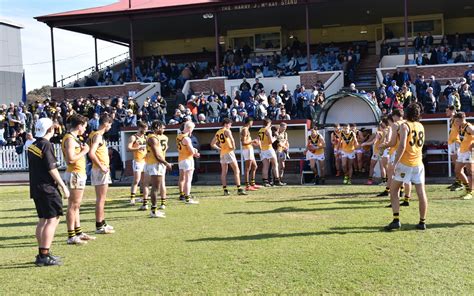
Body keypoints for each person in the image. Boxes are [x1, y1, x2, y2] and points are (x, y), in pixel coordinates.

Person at [28, 118, 70, 266]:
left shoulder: (33, 145)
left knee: (42, 220)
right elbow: (52, 168)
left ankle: (42, 254)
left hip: (36, 187)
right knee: (52, 219)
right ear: (50, 129)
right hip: (47, 188)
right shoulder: (46, 145)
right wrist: (63, 186)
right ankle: (44, 254)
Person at [385, 103, 428, 231]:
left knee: (393, 190)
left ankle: (396, 220)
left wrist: (394, 163)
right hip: (418, 163)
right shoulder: (420, 126)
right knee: (421, 193)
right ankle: (422, 222)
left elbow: (402, 146)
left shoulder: (405, 126)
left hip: (405, 163)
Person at [61, 114, 95, 245]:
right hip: (74, 173)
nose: (85, 129)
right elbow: (70, 159)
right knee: (73, 205)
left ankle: (78, 232)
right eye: (84, 127)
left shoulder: (74, 138)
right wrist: (84, 151)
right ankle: (71, 235)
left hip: (78, 173)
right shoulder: (69, 139)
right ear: (79, 126)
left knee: (76, 205)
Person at [88, 114, 115, 234]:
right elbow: (91, 153)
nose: (110, 127)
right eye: (110, 124)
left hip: (99, 169)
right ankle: (99, 225)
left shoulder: (94, 135)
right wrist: (101, 166)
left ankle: (102, 222)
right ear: (106, 124)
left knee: (102, 198)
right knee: (101, 199)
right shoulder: (98, 136)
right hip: (99, 169)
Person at [211, 118, 247, 196]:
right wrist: (233, 147)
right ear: (226, 124)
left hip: (222, 153)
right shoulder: (227, 130)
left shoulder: (218, 132)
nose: (230, 126)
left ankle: (225, 190)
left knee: (224, 172)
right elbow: (232, 139)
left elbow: (212, 144)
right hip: (228, 152)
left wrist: (220, 149)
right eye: (230, 124)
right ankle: (239, 188)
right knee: (236, 170)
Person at [383, 111, 412, 207]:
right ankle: (407, 198)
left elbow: (392, 142)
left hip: (397, 151)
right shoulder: (408, 123)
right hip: (409, 152)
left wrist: (383, 146)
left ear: (395, 116)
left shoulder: (396, 125)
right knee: (407, 178)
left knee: (396, 176)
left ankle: (395, 201)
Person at [145, 120, 172, 218]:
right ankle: (154, 210)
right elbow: (157, 156)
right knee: (155, 188)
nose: (163, 129)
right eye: (162, 127)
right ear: (157, 127)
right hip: (155, 164)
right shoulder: (153, 138)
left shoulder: (155, 137)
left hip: (154, 163)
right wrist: (166, 163)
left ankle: (154, 209)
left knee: (156, 187)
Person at [177, 121, 200, 204]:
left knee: (182, 178)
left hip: (181, 159)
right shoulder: (187, 138)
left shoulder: (179, 136)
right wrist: (196, 153)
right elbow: (191, 151)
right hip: (188, 159)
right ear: (189, 129)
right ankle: (187, 197)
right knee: (188, 180)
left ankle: (182, 194)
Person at [258, 118, 285, 187]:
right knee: (275, 164)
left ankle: (265, 181)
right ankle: (277, 180)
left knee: (265, 166)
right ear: (268, 123)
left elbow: (259, 140)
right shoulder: (268, 130)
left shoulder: (260, 130)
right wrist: (275, 137)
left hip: (262, 150)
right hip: (269, 148)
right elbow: (270, 141)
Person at [453, 112, 473, 200]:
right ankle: (467, 188)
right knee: (457, 171)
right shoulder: (460, 127)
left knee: (470, 172)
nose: (456, 123)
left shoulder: (469, 127)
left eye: (457, 121)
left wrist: (472, 146)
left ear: (462, 119)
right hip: (462, 152)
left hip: (469, 152)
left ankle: (470, 192)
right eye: (455, 121)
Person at [127, 121, 148, 205]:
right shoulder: (133, 137)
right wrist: (138, 148)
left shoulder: (145, 137)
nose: (146, 130)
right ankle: (132, 198)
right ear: (140, 128)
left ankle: (142, 197)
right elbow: (128, 148)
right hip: (137, 161)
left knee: (144, 180)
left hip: (145, 160)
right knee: (136, 180)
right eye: (145, 129)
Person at [446, 107, 463, 191]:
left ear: (452, 111)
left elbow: (460, 125)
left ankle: (460, 183)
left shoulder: (455, 118)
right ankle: (457, 181)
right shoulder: (451, 120)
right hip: (451, 143)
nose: (446, 112)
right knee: (454, 163)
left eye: (448, 111)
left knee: (457, 163)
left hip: (455, 143)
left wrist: (454, 113)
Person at [240, 117, 260, 191]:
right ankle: (247, 186)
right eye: (252, 122)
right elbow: (243, 142)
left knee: (255, 166)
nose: (252, 123)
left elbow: (247, 141)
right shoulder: (245, 129)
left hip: (249, 149)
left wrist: (254, 143)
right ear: (249, 122)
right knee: (248, 168)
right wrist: (252, 141)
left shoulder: (246, 129)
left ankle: (252, 183)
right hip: (247, 150)